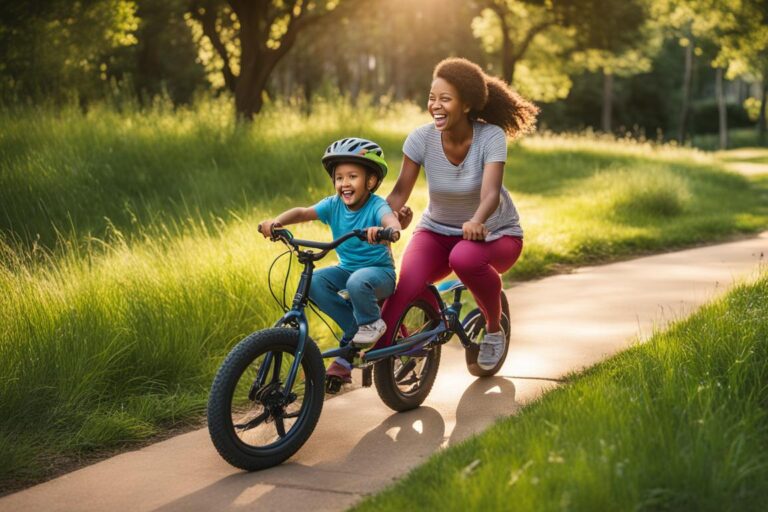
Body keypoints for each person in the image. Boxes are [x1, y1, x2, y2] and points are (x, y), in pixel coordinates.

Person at [382, 57, 539, 370]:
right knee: (407, 284)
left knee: (464, 258)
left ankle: (494, 329)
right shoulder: (420, 139)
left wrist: (477, 220)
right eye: (432, 98)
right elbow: (399, 192)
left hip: (495, 234)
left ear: (466, 105)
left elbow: (491, 192)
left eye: (445, 99)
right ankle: (365, 355)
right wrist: (380, 219)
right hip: (436, 232)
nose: (435, 106)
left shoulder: (490, 137)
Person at [259, 137, 401, 386]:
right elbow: (303, 212)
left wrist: (388, 230)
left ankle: (372, 324)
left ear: (371, 181)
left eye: (352, 176)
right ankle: (355, 328)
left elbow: (389, 219)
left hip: (379, 273)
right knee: (314, 282)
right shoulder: (333, 205)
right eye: (339, 177)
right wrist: (276, 223)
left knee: (358, 281)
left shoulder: (376, 205)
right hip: (347, 269)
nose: (344, 183)